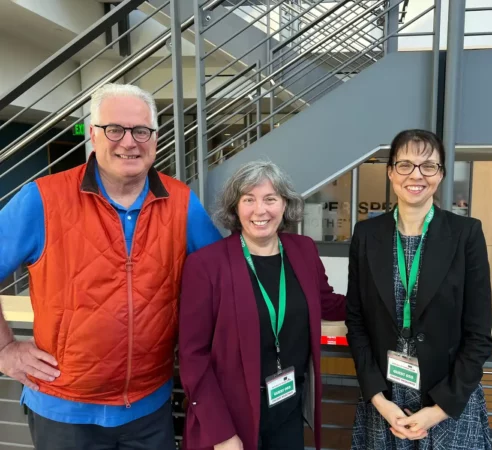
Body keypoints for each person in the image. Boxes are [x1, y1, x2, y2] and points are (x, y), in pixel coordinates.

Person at [0, 83, 222, 450]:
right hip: (63, 411)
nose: (129, 142)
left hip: (150, 409)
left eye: (141, 131)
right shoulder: (43, 198)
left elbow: (224, 276)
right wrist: (5, 349)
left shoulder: (182, 203)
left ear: (154, 138)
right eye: (114, 129)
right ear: (93, 135)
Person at [178, 161, 346, 450]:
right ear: (235, 207)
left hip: (287, 406)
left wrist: (382, 299)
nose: (260, 210)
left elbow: (327, 303)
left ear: (285, 205)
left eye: (270, 199)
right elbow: (193, 357)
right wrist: (222, 434)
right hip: (230, 415)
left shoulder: (303, 249)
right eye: (249, 199)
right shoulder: (206, 265)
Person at [346, 129, 492, 450]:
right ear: (390, 171)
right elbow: (356, 323)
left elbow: (479, 334)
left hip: (448, 399)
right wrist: (379, 400)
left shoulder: (465, 234)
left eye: (428, 166)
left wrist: (439, 410)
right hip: (385, 401)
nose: (416, 175)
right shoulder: (366, 234)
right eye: (405, 165)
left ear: (440, 174)